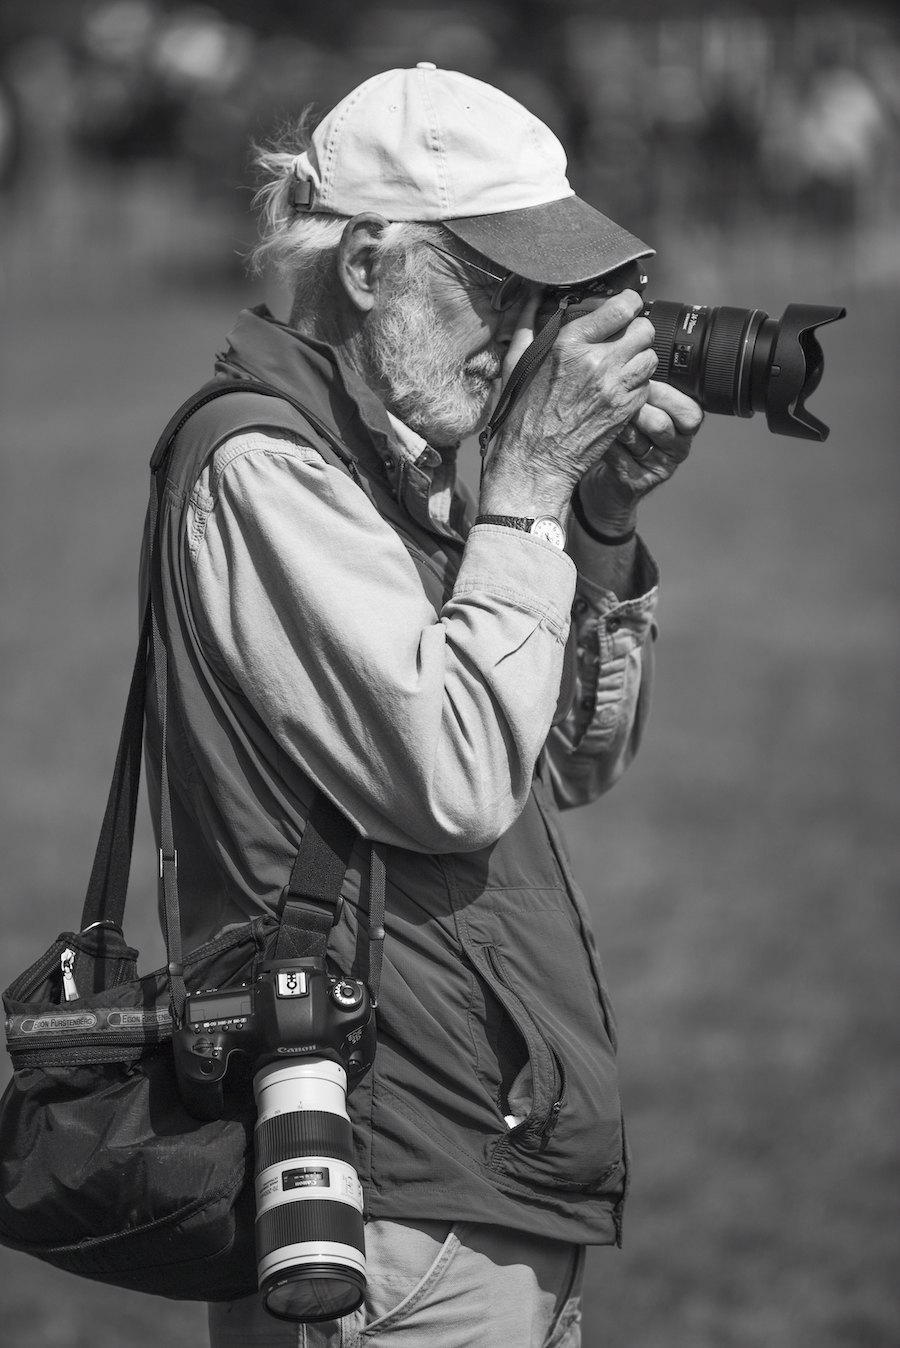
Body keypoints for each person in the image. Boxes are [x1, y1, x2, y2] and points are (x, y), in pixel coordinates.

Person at [144, 64, 703, 1348]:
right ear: (367, 267)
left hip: (474, 1172)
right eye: (494, 286)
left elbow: (572, 763)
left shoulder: (398, 471)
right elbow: (451, 780)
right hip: (379, 1206)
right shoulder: (264, 464)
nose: (523, 336)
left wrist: (596, 522)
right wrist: (526, 496)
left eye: (541, 297)